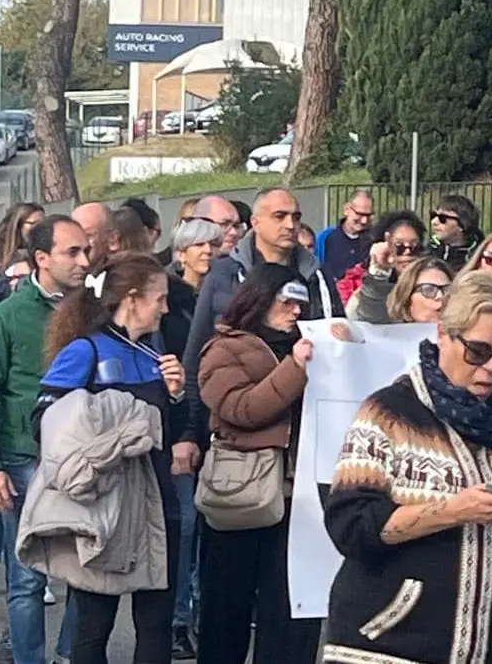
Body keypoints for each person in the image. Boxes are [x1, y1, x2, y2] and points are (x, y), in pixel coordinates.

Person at [320, 272, 492, 664]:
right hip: (387, 647)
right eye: (477, 351)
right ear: (443, 334)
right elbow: (350, 527)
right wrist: (453, 512)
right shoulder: (387, 412)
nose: (491, 367)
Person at [27, 252, 186, 664]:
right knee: (93, 627)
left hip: (157, 501)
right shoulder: (84, 350)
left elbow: (166, 434)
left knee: (156, 625)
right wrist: (116, 430)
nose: (165, 309)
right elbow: (45, 421)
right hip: (105, 505)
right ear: (132, 299)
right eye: (160, 299)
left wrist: (177, 396)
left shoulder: (155, 353)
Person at [194, 263, 323, 664]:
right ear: (260, 298)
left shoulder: (309, 345)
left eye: (302, 302)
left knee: (292, 610)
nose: (295, 310)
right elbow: (241, 408)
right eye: (287, 300)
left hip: (297, 497)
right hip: (242, 496)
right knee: (226, 608)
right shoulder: (224, 347)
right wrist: (294, 369)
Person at [178, 189, 343, 499]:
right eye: (279, 216)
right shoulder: (224, 274)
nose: (290, 225)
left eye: (296, 217)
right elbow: (195, 353)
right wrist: (187, 433)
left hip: (305, 435)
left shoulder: (318, 277)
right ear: (255, 222)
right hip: (241, 445)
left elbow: (339, 344)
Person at [0, 215, 90, 664]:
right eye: (72, 252)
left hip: (83, 457)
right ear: (41, 258)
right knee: (27, 578)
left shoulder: (94, 309)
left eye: (86, 250)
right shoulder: (9, 315)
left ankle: (70, 655)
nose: (84, 261)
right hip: (23, 456)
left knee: (83, 571)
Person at [162, 218, 223, 657]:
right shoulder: (169, 303)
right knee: (185, 527)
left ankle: (206, 610)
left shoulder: (225, 297)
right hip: (184, 424)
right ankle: (177, 620)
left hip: (220, 425)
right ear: (180, 252)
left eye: (214, 244)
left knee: (212, 524)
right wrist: (184, 430)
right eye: (199, 244)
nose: (208, 250)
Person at [345, 210, 428, 318]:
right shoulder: (366, 294)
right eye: (399, 246)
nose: (407, 252)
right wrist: (379, 274)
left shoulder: (432, 289)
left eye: (414, 246)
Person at [316, 191, 375, 284]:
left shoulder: (375, 239)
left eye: (368, 215)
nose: (364, 221)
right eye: (359, 214)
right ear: (346, 209)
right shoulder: (325, 238)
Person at [384, 258, 455, 325]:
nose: (441, 296)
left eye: (447, 289)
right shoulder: (388, 335)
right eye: (429, 289)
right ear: (406, 297)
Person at [429, 194, 483, 270]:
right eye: (433, 215)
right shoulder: (427, 252)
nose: (434, 222)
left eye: (442, 218)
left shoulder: (479, 258)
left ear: (463, 224)